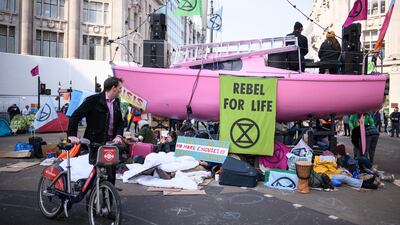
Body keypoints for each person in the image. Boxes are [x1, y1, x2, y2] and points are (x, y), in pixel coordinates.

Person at [67, 77, 124, 185]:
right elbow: (75, 116)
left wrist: (119, 136)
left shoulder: (116, 102)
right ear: (113, 88)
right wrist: (71, 135)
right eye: (120, 88)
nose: (121, 90)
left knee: (111, 173)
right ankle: (92, 197)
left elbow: (120, 122)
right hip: (94, 143)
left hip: (110, 144)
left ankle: (110, 199)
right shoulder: (93, 100)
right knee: (93, 174)